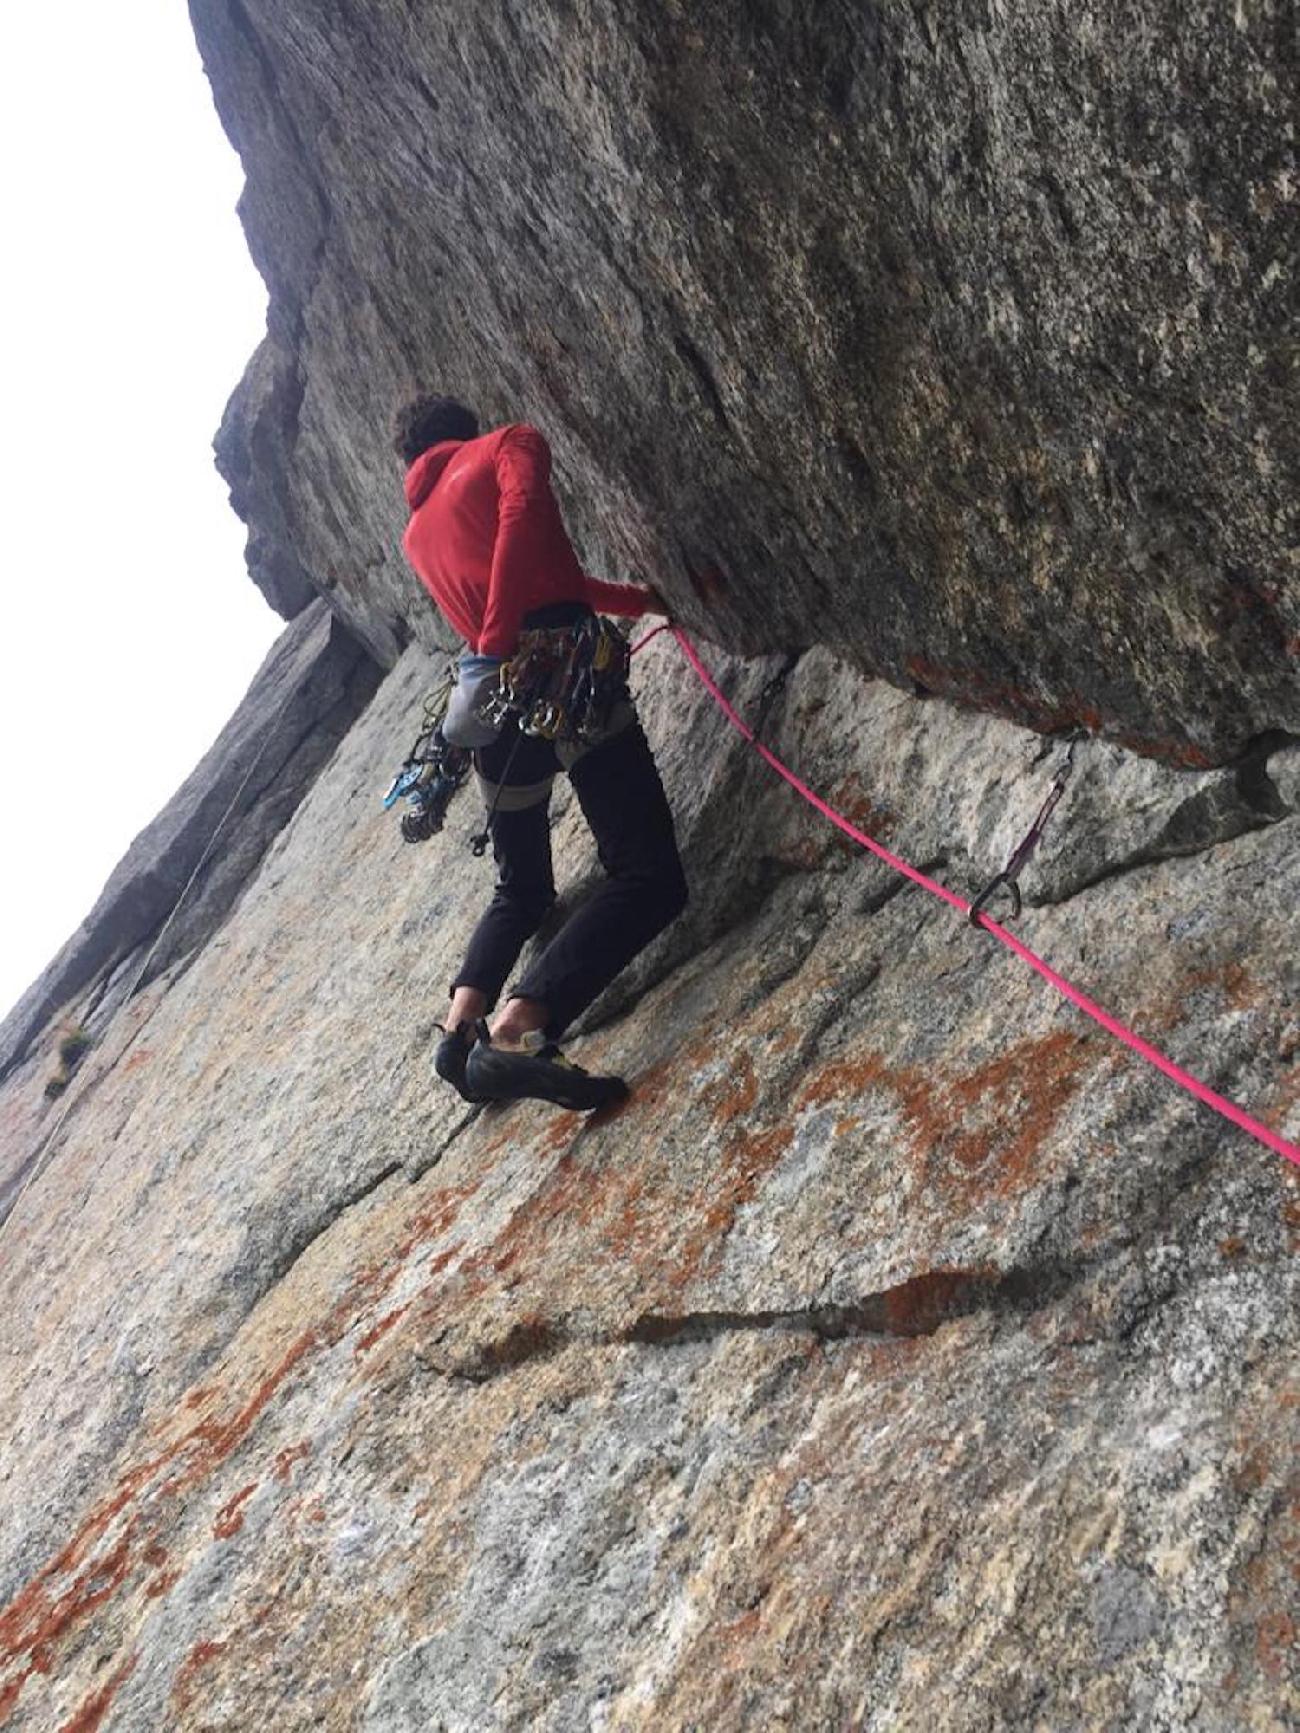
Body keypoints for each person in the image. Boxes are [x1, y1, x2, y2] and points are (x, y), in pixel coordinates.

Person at [394, 394, 688, 1111]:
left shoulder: (417, 535)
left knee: (521, 887)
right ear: (464, 428)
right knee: (647, 873)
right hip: (560, 677)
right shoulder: (508, 444)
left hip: (493, 707)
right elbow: (522, 532)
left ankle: (459, 1030)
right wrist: (497, 645)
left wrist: (635, 600)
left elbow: (530, 570)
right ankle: (516, 1029)